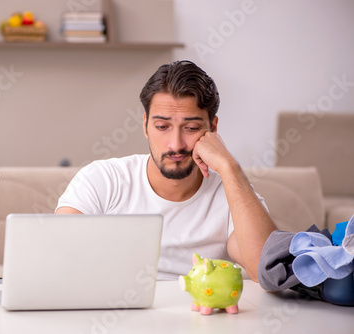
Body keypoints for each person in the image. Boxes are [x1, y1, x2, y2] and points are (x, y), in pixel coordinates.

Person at [55, 60, 277, 282]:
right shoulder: (103, 179)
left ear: (213, 128)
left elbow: (267, 270)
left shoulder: (233, 194)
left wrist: (229, 166)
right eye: (162, 127)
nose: (176, 144)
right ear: (145, 126)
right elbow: (57, 260)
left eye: (191, 128)